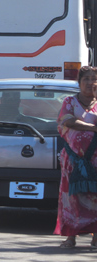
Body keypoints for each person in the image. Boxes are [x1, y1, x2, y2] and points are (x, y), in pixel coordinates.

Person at [55, 65, 97, 248]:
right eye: (86, 79)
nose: (90, 82)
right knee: (71, 199)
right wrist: (92, 127)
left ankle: (96, 238)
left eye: (93, 79)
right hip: (73, 160)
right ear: (79, 83)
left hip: (95, 160)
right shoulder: (70, 102)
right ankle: (71, 237)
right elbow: (67, 120)